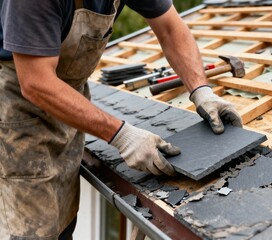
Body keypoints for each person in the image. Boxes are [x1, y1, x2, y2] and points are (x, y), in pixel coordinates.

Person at [0, 0, 242, 239]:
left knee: (62, 218)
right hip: (21, 114)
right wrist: (122, 135)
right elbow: (35, 82)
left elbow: (169, 27)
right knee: (34, 229)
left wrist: (201, 90)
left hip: (68, 101)